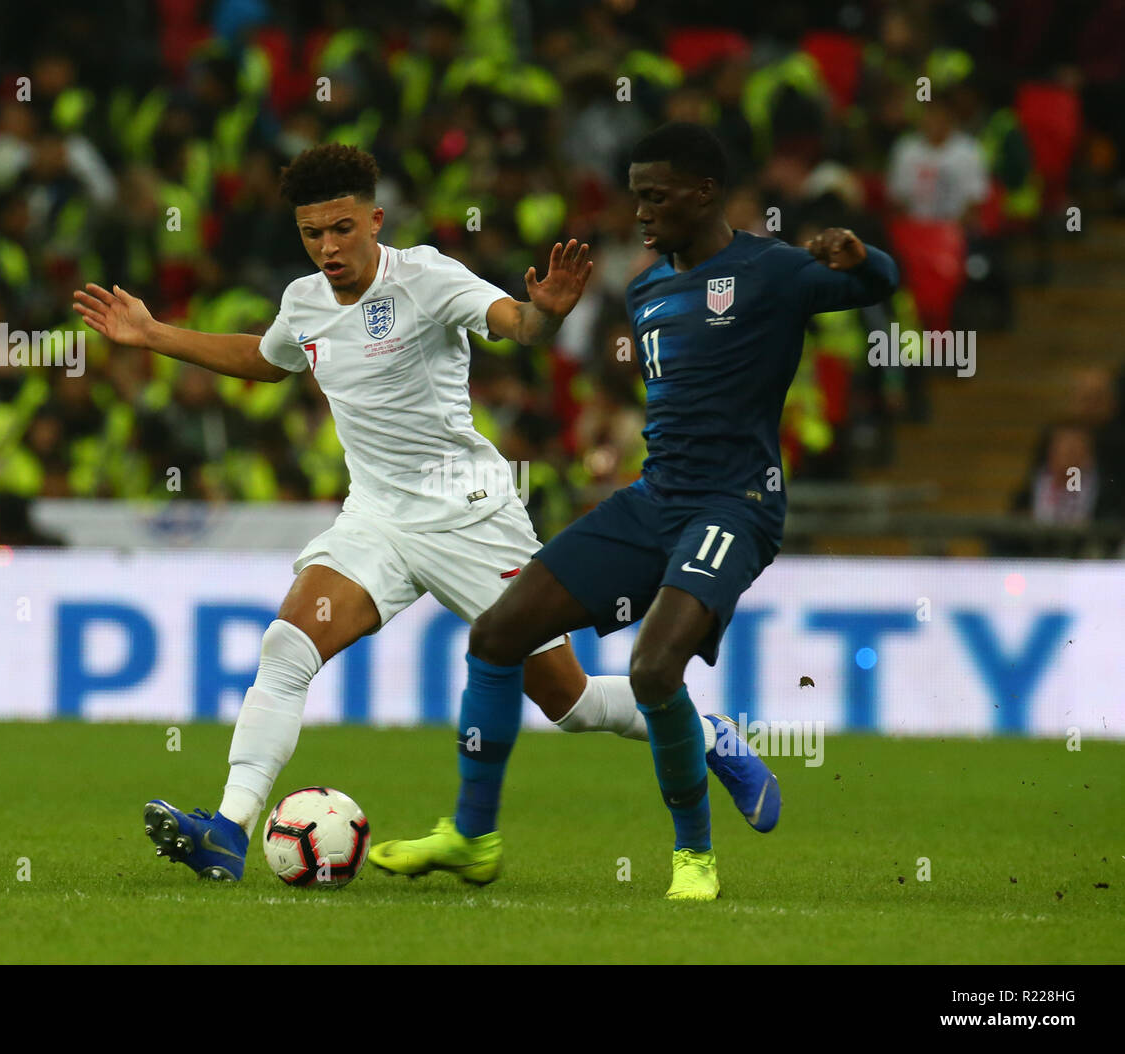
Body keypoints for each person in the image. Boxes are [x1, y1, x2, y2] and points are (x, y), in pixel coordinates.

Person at [71, 143, 780, 881]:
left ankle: (711, 734)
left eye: (342, 228)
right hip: (376, 519)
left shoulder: (428, 279)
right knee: (286, 649)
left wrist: (542, 314)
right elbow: (269, 358)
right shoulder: (304, 301)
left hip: (469, 516)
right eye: (313, 234)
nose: (328, 248)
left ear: (375, 220)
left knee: (568, 703)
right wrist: (154, 335)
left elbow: (513, 323)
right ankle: (227, 830)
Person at [370, 124, 898, 901]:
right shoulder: (647, 289)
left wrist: (866, 259)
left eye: (656, 196)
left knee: (654, 668)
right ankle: (472, 837)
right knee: (497, 632)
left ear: (705, 193)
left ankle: (694, 858)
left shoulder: (771, 269)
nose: (641, 213)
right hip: (657, 499)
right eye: (636, 194)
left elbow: (871, 285)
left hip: (735, 504)